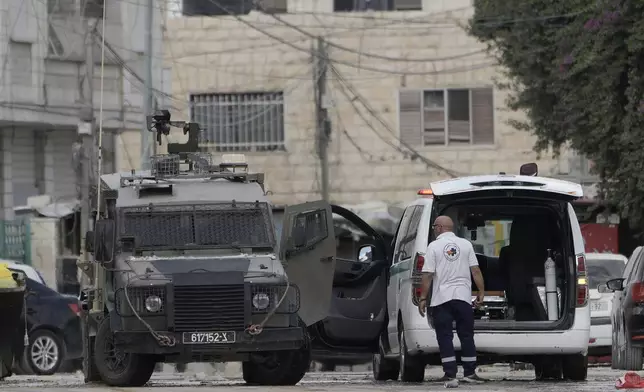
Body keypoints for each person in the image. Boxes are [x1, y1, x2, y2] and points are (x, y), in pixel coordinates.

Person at [417, 216, 486, 387]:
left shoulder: (433, 247)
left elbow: (427, 275)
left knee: (445, 336)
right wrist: (481, 292)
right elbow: (475, 271)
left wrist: (423, 297)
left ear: (440, 227)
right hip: (463, 297)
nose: (434, 229)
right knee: (467, 335)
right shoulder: (465, 245)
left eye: (434, 226)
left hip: (442, 299)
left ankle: (450, 374)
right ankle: (470, 373)